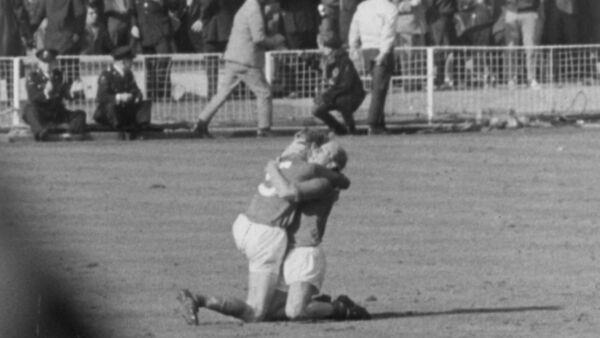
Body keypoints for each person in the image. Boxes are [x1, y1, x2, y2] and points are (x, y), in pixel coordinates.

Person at [177, 132, 353, 324]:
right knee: (263, 312)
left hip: (300, 250)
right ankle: (199, 299)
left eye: (323, 152)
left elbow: (290, 191)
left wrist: (272, 167)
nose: (315, 151)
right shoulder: (304, 170)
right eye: (317, 148)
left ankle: (340, 308)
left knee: (281, 312)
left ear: (333, 164)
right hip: (279, 245)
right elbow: (297, 155)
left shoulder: (324, 181)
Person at [193, 0, 286, 138]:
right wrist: (276, 41)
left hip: (233, 56)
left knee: (222, 94)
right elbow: (258, 38)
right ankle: (264, 129)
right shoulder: (254, 10)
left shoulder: (246, 6)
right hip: (246, 60)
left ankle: (201, 123)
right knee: (264, 92)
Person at [348, 0, 398, 135]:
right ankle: (374, 123)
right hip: (380, 49)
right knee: (380, 89)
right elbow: (389, 31)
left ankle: (380, 122)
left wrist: (353, 45)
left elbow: (354, 27)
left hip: (366, 48)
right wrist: (384, 52)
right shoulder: (390, 8)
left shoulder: (362, 6)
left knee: (377, 87)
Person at [22, 49, 88, 141]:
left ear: (54, 63)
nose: (47, 66)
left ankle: (69, 133)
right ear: (39, 63)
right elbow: (33, 97)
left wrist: (73, 92)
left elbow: (65, 93)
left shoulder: (59, 75)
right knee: (29, 110)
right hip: (41, 112)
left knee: (80, 114)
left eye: (50, 62)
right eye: (44, 63)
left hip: (56, 111)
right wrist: (45, 92)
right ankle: (41, 133)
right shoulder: (33, 76)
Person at [312, 33, 365, 135]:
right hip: (336, 94)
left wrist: (326, 96)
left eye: (324, 47)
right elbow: (326, 77)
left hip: (353, 95)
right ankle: (339, 129)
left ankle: (351, 129)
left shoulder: (344, 61)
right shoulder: (327, 61)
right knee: (316, 110)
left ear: (331, 49)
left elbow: (346, 85)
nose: (322, 50)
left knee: (342, 101)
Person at [94, 45, 151, 140]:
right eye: (130, 61)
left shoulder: (129, 74)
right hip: (109, 112)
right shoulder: (107, 74)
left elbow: (135, 90)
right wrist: (119, 97)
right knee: (111, 106)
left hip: (124, 109)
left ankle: (139, 129)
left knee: (145, 104)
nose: (132, 63)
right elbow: (101, 96)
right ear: (123, 62)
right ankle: (119, 130)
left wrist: (136, 96)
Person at [129, 0, 183, 100]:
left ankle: (164, 95)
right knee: (148, 67)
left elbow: (175, 5)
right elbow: (133, 12)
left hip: (161, 33)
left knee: (164, 64)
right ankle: (151, 96)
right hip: (144, 33)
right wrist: (134, 25)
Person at [503, 0, 546, 89]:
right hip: (511, 11)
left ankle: (531, 78)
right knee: (510, 48)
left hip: (529, 11)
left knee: (530, 47)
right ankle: (511, 79)